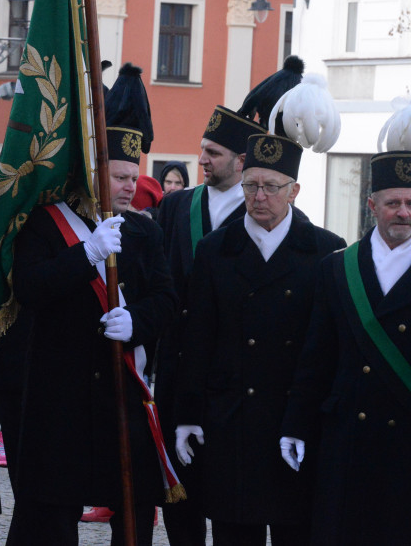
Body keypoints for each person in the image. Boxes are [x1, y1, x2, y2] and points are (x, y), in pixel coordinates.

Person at [280, 150, 411, 545]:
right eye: (392, 203)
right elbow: (316, 357)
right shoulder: (337, 268)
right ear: (372, 206)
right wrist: (296, 423)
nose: (402, 213)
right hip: (350, 442)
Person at [6, 123, 176, 546]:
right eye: (119, 177)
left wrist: (136, 321)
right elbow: (29, 288)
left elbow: (166, 299)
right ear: (92, 174)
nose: (128, 187)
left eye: (133, 178)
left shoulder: (145, 231)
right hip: (62, 396)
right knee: (54, 513)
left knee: (132, 508)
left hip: (122, 394)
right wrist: (86, 254)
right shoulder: (46, 224)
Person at [174, 133, 345, 544]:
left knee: (296, 531)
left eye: (271, 187)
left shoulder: (327, 251)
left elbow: (330, 349)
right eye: (251, 185)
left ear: (294, 191)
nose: (259, 196)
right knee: (235, 532)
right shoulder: (216, 250)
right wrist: (187, 414)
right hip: (233, 421)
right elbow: (197, 338)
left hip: (296, 422)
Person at [153, 105, 263, 545]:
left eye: (214, 153)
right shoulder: (177, 206)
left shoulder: (261, 212)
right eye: (201, 150)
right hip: (178, 371)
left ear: (241, 161)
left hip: (233, 376)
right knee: (181, 495)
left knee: (234, 497)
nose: (202, 160)